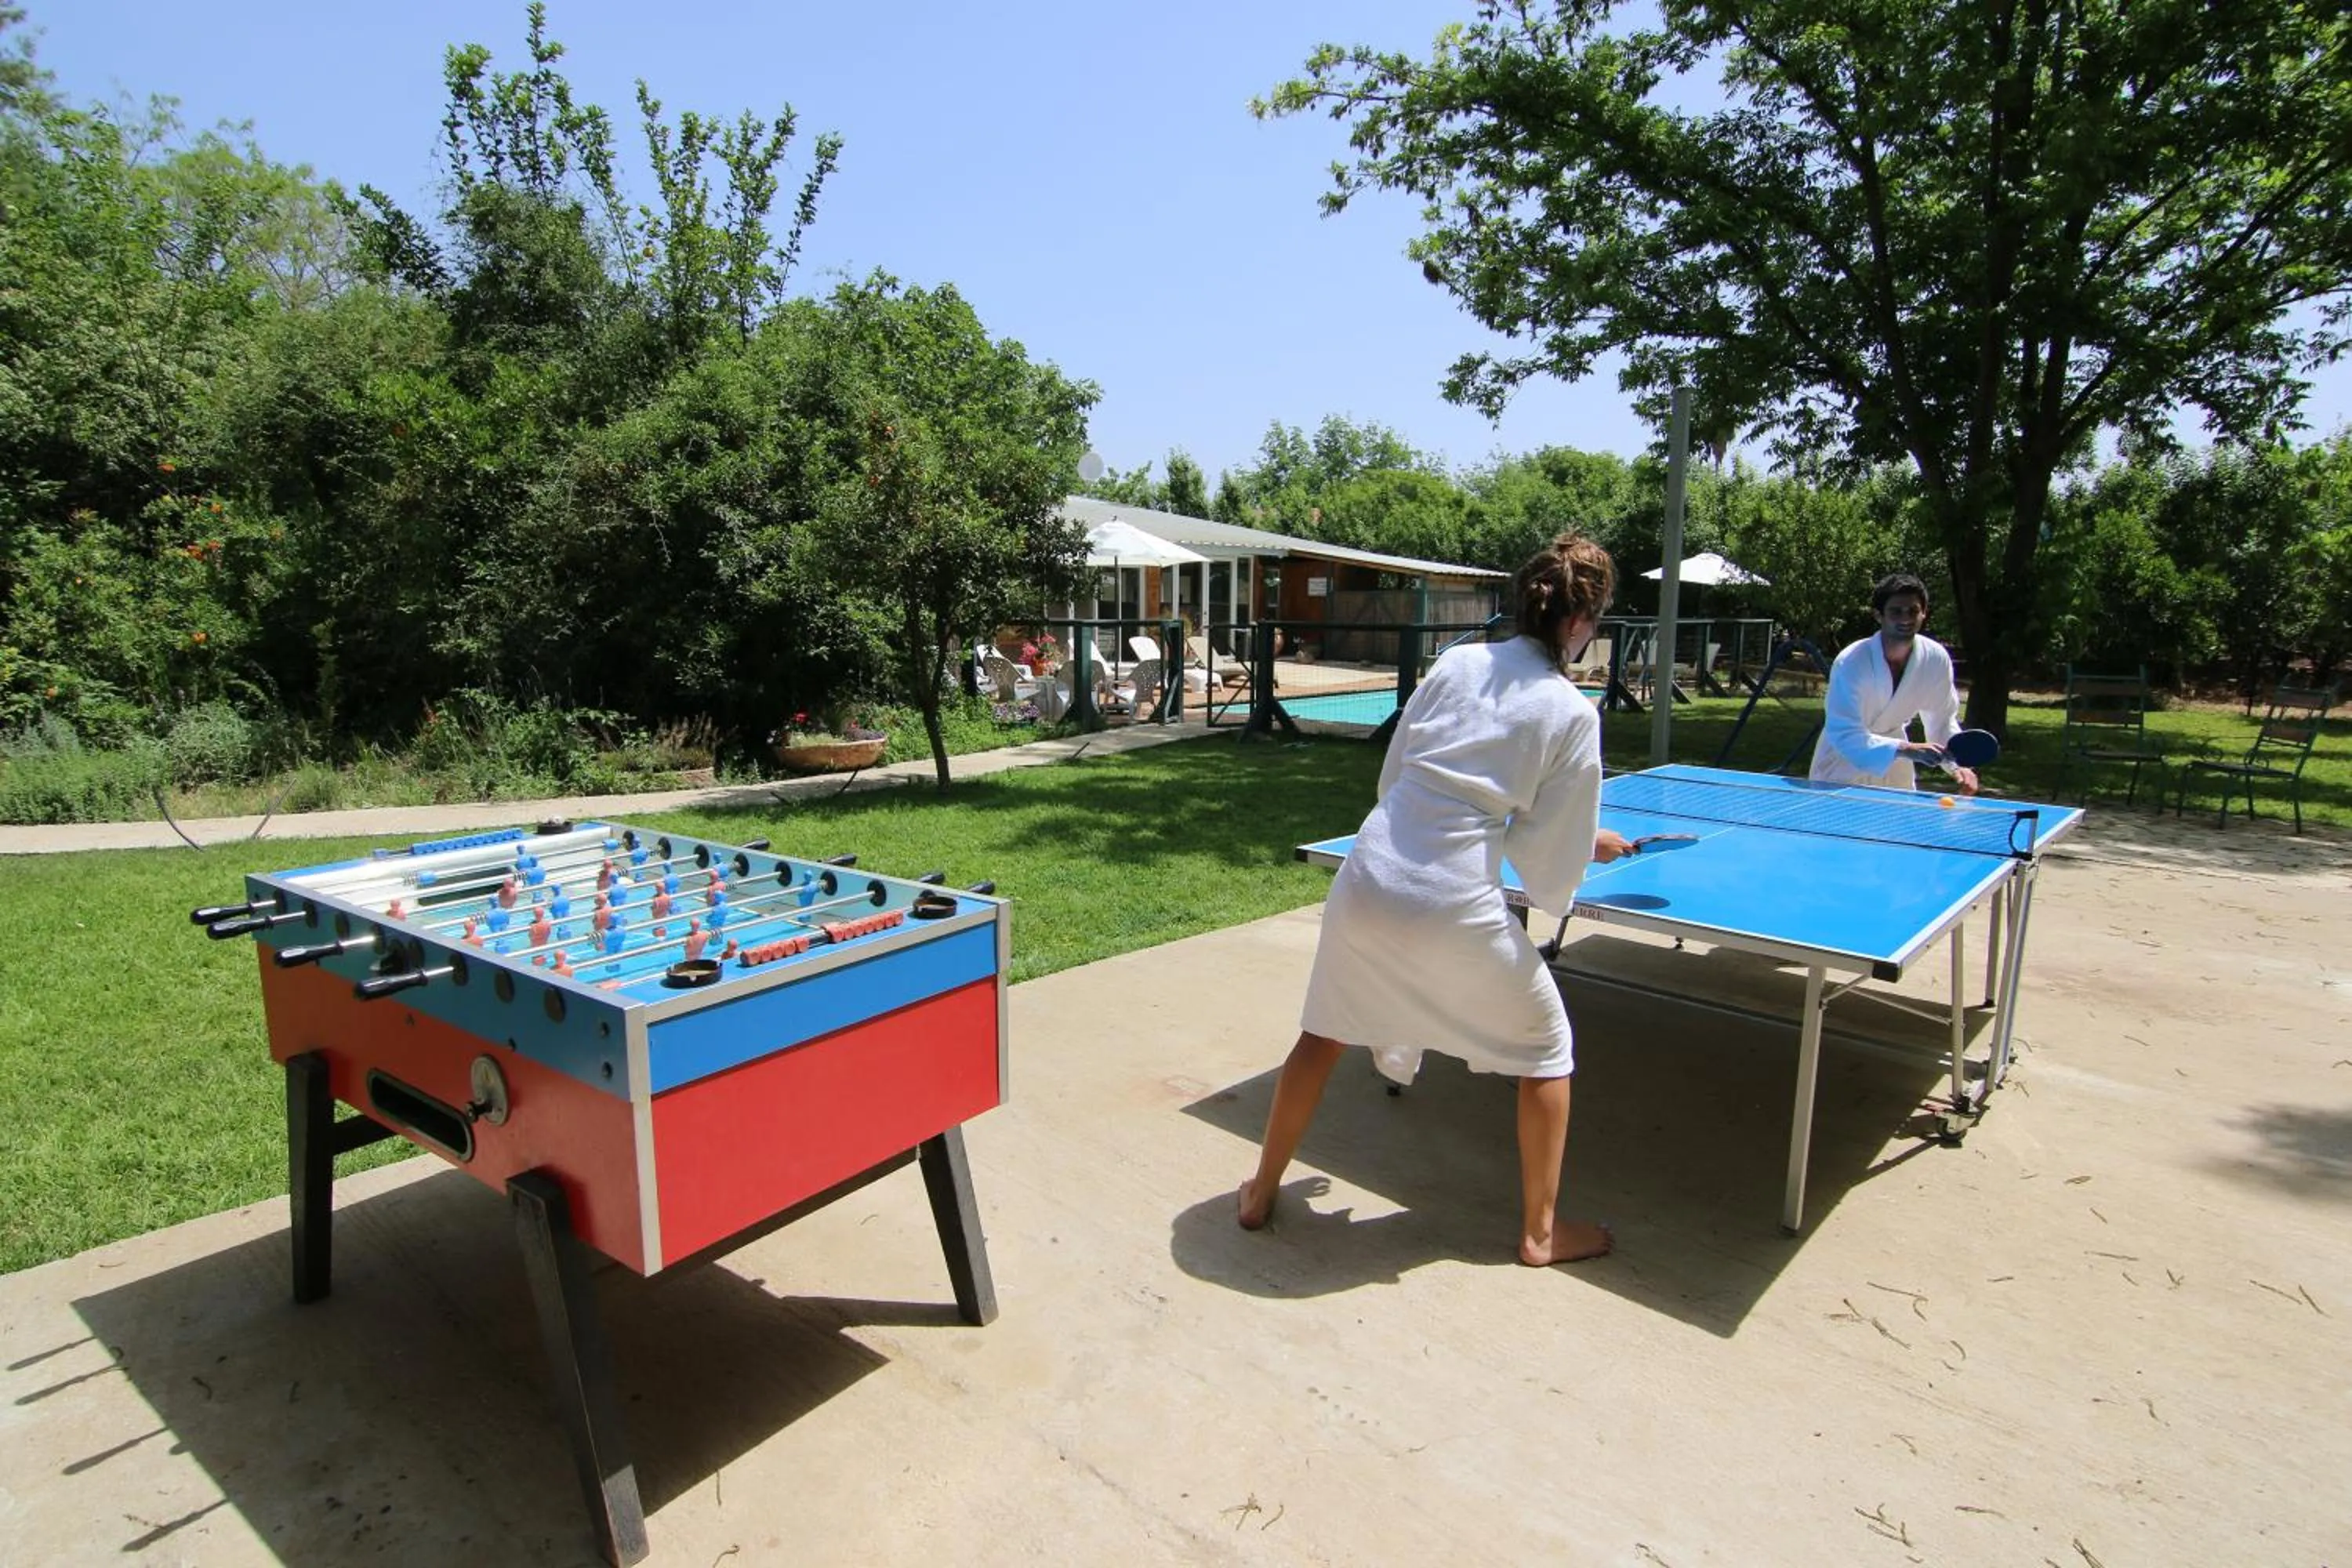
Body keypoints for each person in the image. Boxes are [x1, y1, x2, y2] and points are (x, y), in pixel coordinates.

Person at [1236, 531, 1625, 1267]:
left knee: (1324, 1032)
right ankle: (1540, 1233)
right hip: (1447, 898)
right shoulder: (1571, 712)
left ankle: (1260, 1189)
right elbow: (1548, 850)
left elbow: (1407, 773)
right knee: (1546, 1049)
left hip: (1372, 867)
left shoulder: (1458, 662)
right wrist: (1575, 851)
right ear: (1578, 623)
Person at [1809, 572, 1979, 796]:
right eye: (1896, 612)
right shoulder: (1851, 661)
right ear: (1879, 616)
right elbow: (1845, 733)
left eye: (1913, 611)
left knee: (1894, 829)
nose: (1906, 619)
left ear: (1924, 613)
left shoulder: (1935, 658)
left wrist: (1958, 765)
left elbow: (1941, 721)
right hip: (1841, 766)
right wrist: (1906, 749)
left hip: (1896, 768)